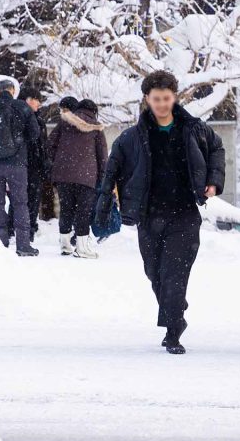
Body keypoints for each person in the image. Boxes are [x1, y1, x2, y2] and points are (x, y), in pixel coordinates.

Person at [95, 71, 225, 355]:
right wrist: (103, 204)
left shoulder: (193, 128)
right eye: (157, 99)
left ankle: (173, 330)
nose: (162, 104)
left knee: (175, 273)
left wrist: (213, 181)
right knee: (154, 272)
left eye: (167, 98)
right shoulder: (131, 137)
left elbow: (216, 148)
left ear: (174, 97)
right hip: (149, 214)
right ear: (147, 99)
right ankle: (175, 310)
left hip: (184, 213)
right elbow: (112, 169)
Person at [0, 79, 41, 256]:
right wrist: (19, 145)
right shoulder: (22, 107)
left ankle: (0, 243)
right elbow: (34, 134)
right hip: (17, 164)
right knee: (20, 203)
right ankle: (23, 245)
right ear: (12, 90)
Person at [49, 97, 108, 258]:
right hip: (86, 176)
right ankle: (81, 248)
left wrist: (59, 162)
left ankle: (65, 244)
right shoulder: (96, 128)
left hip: (63, 175)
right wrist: (102, 178)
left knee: (66, 208)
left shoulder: (64, 122)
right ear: (94, 111)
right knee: (83, 211)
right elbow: (102, 156)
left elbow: (50, 144)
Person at [8, 87, 51, 245]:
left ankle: (17, 229)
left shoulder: (32, 117)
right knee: (26, 200)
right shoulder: (25, 118)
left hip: (26, 166)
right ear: (28, 100)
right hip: (28, 165)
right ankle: (24, 230)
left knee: (21, 200)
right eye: (36, 99)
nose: (39, 103)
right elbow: (36, 144)